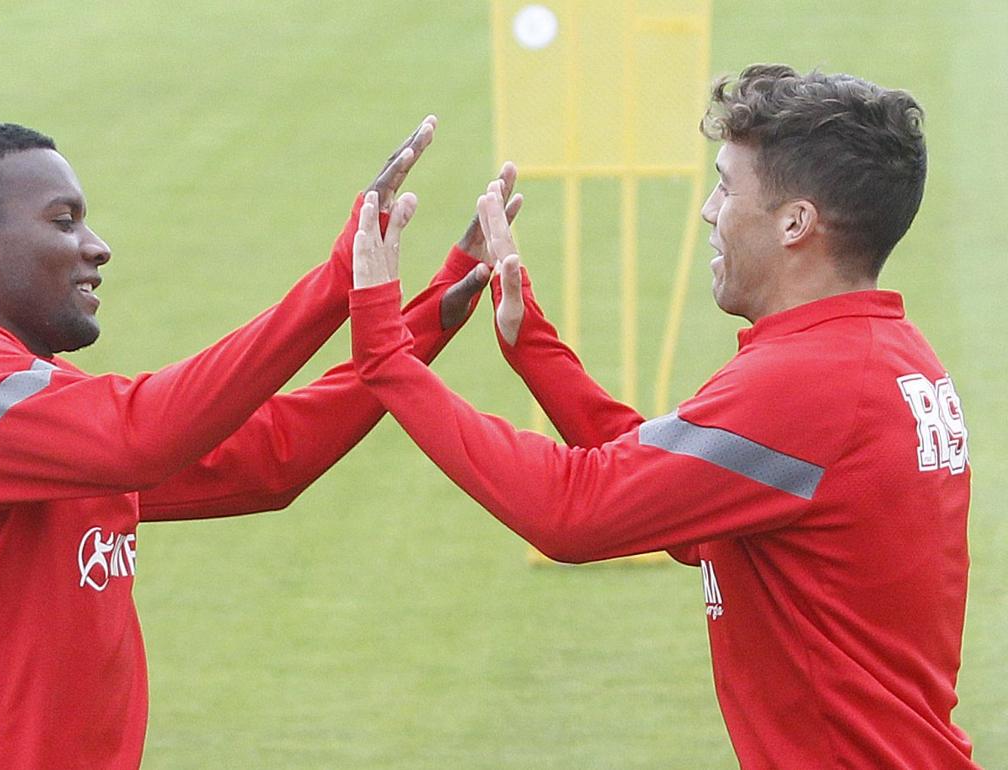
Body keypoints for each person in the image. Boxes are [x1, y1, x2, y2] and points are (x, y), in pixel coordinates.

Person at [348, 65, 976, 767]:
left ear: (796, 222)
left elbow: (573, 513)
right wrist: (535, 350)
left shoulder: (811, 382)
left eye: (726, 186)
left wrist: (387, 358)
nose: (709, 210)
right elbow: (681, 510)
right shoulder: (882, 354)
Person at [0, 118, 519, 768]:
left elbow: (268, 463)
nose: (96, 246)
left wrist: (421, 321)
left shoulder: (28, 409)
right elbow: (141, 436)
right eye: (63, 222)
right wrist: (333, 283)